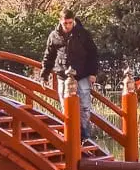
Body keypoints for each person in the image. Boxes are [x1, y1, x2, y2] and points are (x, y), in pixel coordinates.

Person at [40, 8, 99, 141]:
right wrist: (44, 75)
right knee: (65, 104)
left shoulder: (83, 34)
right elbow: (48, 56)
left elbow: (93, 54)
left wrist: (93, 73)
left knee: (84, 106)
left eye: (69, 23)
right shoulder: (54, 36)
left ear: (73, 21)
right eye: (65, 23)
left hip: (82, 73)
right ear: (60, 21)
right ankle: (70, 133)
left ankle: (84, 134)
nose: (67, 26)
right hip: (63, 74)